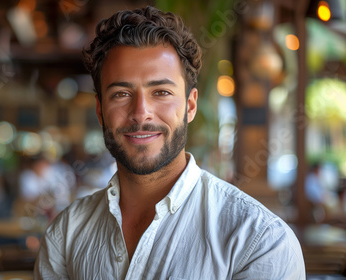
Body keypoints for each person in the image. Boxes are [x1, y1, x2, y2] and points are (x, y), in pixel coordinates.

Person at [35, 6, 305, 279]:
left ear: (190, 105)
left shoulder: (259, 241)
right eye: (121, 94)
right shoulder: (66, 234)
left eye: (161, 92)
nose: (141, 112)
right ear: (99, 109)